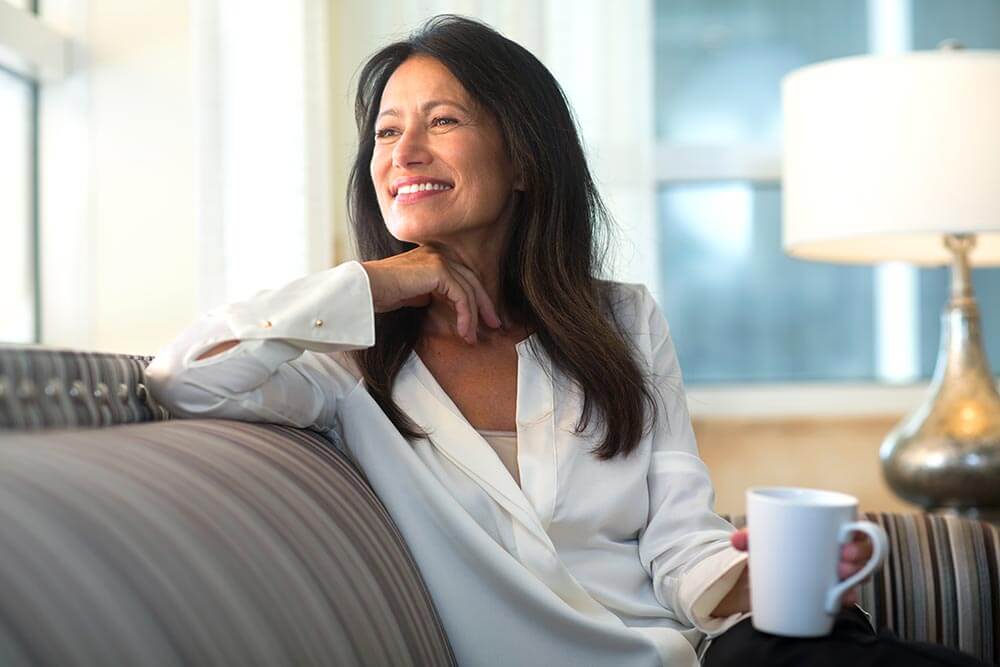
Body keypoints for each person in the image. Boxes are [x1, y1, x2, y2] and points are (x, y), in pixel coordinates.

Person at [145, 15, 988, 667]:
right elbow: (185, 379)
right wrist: (381, 280)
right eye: (386, 130)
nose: (404, 150)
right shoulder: (342, 361)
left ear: (521, 160)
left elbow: (677, 543)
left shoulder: (622, 321)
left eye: (442, 121)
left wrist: (771, 576)